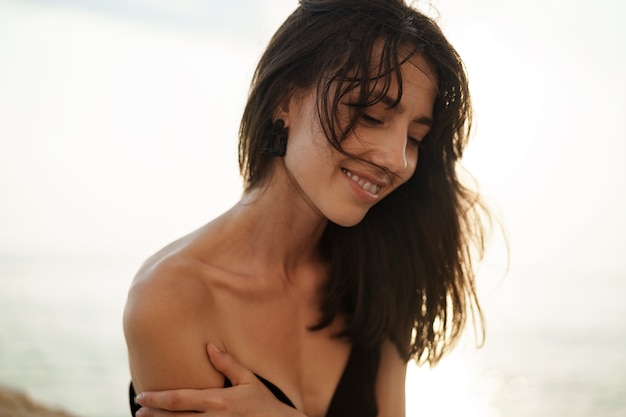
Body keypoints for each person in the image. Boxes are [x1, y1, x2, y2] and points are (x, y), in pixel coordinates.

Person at [123, 0, 490, 416]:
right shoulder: (172, 298)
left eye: (415, 138)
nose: (396, 159)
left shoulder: (382, 272)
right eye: (371, 115)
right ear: (285, 99)